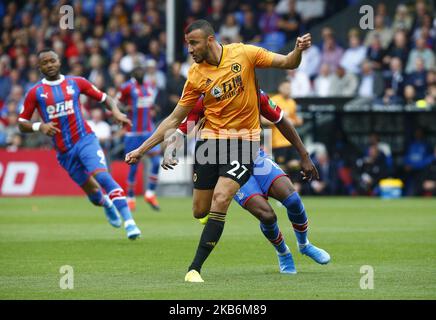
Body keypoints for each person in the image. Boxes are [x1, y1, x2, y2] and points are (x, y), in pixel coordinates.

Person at [125, 19, 315, 282]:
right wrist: (142, 149)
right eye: (187, 44)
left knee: (222, 198)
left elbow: (287, 63)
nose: (190, 49)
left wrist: (297, 51)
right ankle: (221, 204)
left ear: (210, 40)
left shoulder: (244, 53)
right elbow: (175, 119)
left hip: (245, 144)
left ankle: (194, 269)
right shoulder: (195, 75)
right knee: (199, 211)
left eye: (194, 43)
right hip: (210, 146)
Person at [162, 91, 330, 276]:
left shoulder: (254, 92)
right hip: (228, 164)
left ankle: (304, 244)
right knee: (267, 215)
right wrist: (170, 149)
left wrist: (304, 155)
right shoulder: (207, 98)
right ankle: (283, 252)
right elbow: (183, 127)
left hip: (254, 156)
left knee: (292, 198)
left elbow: (280, 119)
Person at [18, 49, 141, 240]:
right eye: (45, 62)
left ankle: (130, 222)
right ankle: (107, 205)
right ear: (39, 67)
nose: (50, 65)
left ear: (59, 62)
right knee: (93, 194)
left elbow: (104, 98)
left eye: (53, 61)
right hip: (64, 152)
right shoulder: (35, 93)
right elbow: (21, 123)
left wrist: (116, 112)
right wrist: (39, 126)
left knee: (102, 177)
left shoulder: (76, 82)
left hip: (85, 140)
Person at [117, 65, 161, 211]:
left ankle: (150, 193)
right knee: (133, 167)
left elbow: (148, 104)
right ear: (134, 74)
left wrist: (153, 108)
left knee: (156, 162)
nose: (141, 73)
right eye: (138, 72)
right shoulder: (127, 87)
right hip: (133, 133)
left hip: (148, 132)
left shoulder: (149, 86)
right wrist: (124, 110)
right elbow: (117, 104)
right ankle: (130, 198)